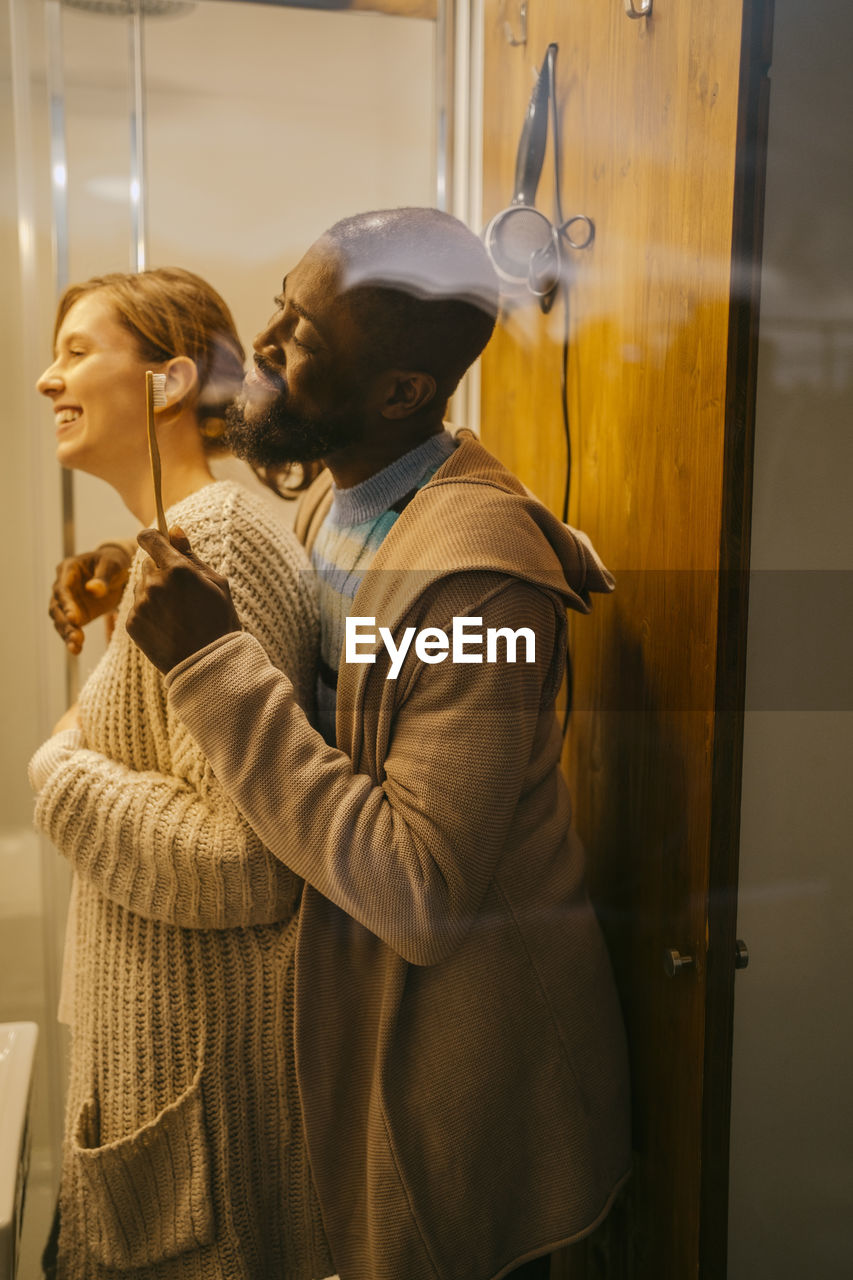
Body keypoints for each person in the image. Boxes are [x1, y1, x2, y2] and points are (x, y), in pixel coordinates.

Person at [51, 211, 632, 1280]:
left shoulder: (479, 584)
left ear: (402, 392)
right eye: (282, 303)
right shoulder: (346, 503)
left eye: (302, 336)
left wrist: (207, 666)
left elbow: (417, 890)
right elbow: (322, 685)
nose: (262, 343)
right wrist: (121, 576)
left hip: (477, 1091)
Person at [29, 268, 331, 1279]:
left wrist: (57, 773)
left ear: (166, 383)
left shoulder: (222, 544)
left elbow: (248, 858)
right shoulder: (180, 546)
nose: (44, 379)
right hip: (171, 1099)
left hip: (203, 1137)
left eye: (76, 351)